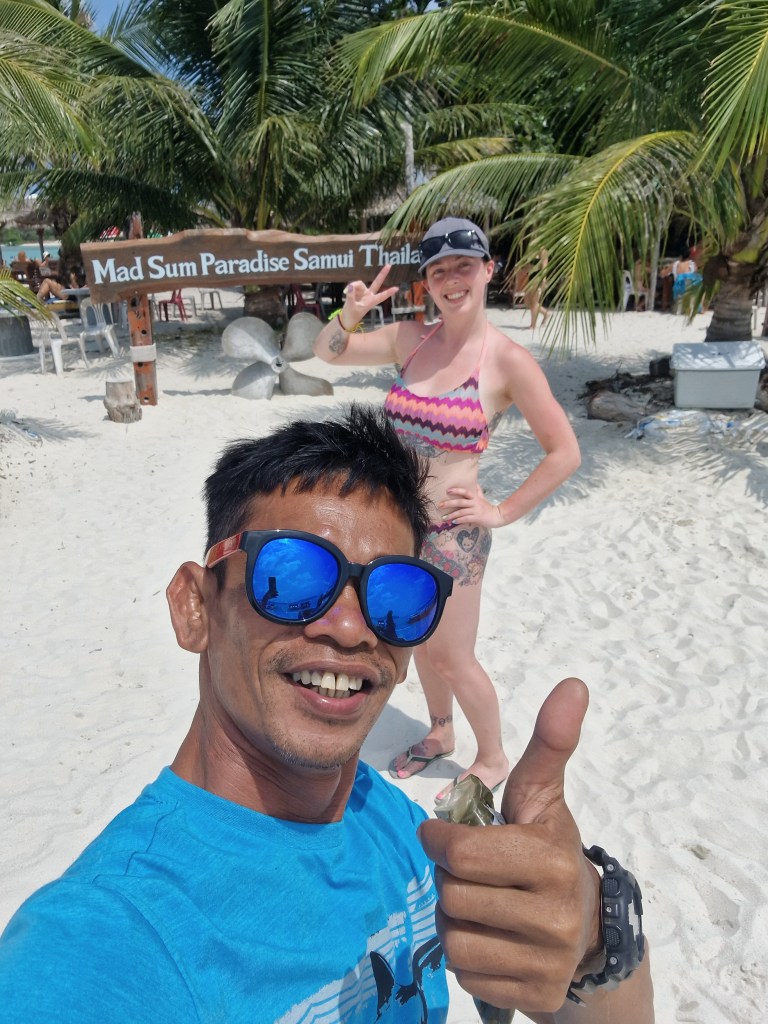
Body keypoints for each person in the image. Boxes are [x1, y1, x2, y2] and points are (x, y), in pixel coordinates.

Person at [0, 406, 653, 1022]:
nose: (349, 627)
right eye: (293, 576)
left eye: (396, 594)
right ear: (195, 607)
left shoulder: (393, 823)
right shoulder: (102, 946)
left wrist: (598, 935)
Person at [314, 218, 581, 800]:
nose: (452, 280)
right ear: (427, 282)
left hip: (454, 534)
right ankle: (440, 732)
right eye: (438, 271)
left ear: (488, 270)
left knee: (454, 657)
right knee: (414, 638)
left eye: (464, 266)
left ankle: (493, 756)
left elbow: (565, 452)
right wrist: (349, 313)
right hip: (398, 524)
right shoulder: (411, 339)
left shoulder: (508, 362)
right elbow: (328, 352)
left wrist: (501, 511)